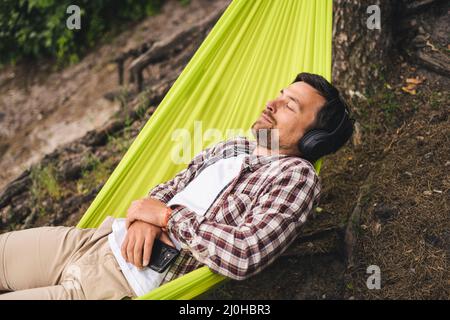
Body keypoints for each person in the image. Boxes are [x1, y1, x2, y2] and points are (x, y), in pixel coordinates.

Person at [0, 73, 353, 300]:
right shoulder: (232, 146)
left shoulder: (296, 177)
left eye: (289, 105)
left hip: (118, 286)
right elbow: (168, 187)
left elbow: (245, 253)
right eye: (279, 93)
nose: (270, 103)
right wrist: (142, 218)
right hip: (91, 242)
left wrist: (167, 218)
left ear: (314, 138)